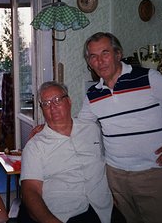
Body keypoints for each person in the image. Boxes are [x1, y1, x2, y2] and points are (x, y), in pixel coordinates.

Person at [79, 32, 162, 223]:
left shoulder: (148, 78)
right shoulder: (92, 94)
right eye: (93, 56)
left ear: (118, 54)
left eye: (105, 53)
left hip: (153, 174)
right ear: (89, 62)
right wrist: (45, 130)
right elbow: (79, 127)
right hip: (116, 175)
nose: (100, 61)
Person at [19, 81, 113, 223]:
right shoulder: (35, 146)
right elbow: (30, 191)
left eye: (57, 100)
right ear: (41, 109)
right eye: (46, 103)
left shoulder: (92, 129)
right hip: (63, 215)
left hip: (103, 210)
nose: (52, 107)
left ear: (69, 101)